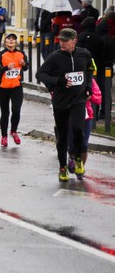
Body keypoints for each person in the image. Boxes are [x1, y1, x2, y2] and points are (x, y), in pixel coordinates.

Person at [36, 28, 94, 182]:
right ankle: (62, 167)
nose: (61, 43)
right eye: (60, 40)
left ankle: (78, 159)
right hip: (61, 102)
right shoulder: (55, 57)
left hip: (78, 100)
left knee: (77, 129)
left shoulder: (84, 54)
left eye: (65, 40)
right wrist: (57, 81)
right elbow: (40, 74)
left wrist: (88, 87)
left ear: (74, 41)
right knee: (62, 136)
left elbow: (90, 69)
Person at [0, 32, 28, 147]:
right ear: (5, 42)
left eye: (13, 39)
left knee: (16, 110)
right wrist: (5, 68)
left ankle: (14, 131)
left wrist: (24, 64)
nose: (11, 41)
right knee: (5, 112)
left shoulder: (21, 53)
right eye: (8, 39)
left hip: (16, 86)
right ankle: (4, 136)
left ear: (16, 42)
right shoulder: (1, 54)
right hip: (3, 88)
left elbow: (26, 67)